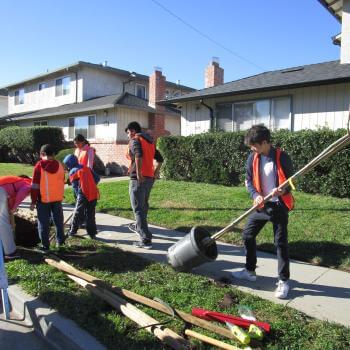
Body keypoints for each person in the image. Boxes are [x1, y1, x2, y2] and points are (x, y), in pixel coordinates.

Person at [232, 125, 294, 299]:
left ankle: (283, 281)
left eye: (255, 145)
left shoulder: (282, 157)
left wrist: (283, 190)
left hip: (279, 206)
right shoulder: (253, 158)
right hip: (262, 206)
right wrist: (256, 195)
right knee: (247, 235)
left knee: (280, 243)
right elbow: (249, 181)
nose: (252, 149)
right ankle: (250, 271)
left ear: (265, 142)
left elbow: (292, 181)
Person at [125, 121, 163, 249]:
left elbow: (138, 155)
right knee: (143, 205)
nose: (128, 135)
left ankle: (145, 239)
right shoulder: (149, 141)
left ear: (133, 131)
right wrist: (156, 172)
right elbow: (160, 159)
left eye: (128, 132)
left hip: (139, 179)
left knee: (138, 208)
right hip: (149, 178)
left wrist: (139, 173)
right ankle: (139, 226)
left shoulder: (135, 140)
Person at [30, 144, 65, 252]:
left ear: (42, 154)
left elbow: (35, 186)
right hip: (57, 199)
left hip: (43, 200)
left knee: (43, 223)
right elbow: (62, 180)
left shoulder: (39, 166)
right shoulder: (60, 165)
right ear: (53, 154)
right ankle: (60, 242)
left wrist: (33, 201)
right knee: (58, 222)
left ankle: (45, 246)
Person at [63, 154, 100, 239]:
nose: (66, 166)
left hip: (83, 194)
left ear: (69, 164)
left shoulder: (73, 171)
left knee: (77, 213)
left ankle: (72, 231)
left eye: (67, 164)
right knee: (90, 214)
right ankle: (92, 233)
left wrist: (77, 197)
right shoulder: (86, 167)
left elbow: (75, 187)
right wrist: (90, 185)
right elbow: (97, 178)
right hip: (93, 193)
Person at [0, 175, 31, 259]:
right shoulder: (27, 183)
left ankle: (4, 248)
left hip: (1, 191)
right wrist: (14, 208)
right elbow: (22, 193)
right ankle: (10, 253)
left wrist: (11, 209)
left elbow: (10, 200)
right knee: (3, 223)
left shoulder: (15, 183)